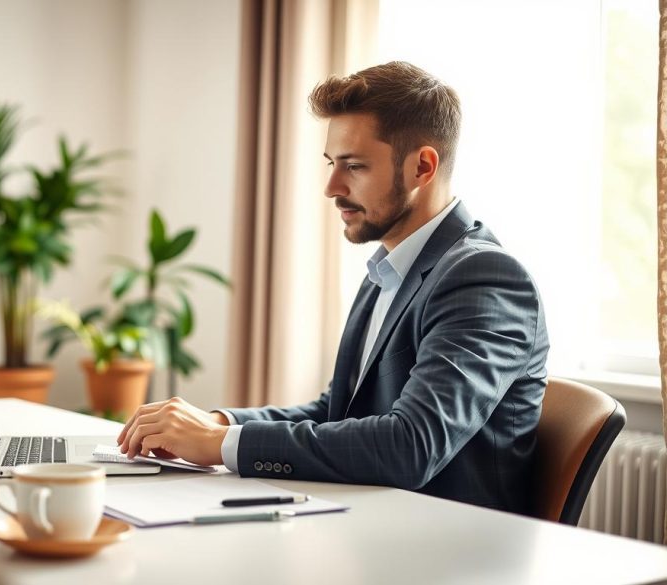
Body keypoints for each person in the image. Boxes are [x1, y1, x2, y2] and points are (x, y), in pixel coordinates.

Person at [117, 61, 549, 515]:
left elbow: (411, 446)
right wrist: (216, 423)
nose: (331, 187)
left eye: (355, 166)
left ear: (423, 166)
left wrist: (221, 443)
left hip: (447, 549)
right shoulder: (389, 268)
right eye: (331, 163)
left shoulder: (485, 277)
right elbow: (337, 412)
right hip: (370, 524)